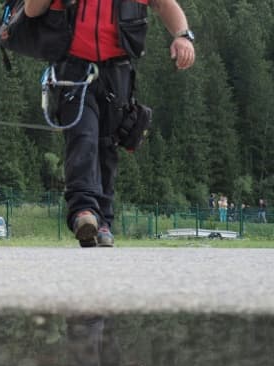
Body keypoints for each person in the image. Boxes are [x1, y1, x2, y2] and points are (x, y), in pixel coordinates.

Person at [24, 0, 195, 247]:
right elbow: (32, 10)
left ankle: (102, 222)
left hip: (118, 72)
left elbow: (165, 5)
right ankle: (83, 212)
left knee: (107, 145)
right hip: (73, 69)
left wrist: (183, 36)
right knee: (83, 137)